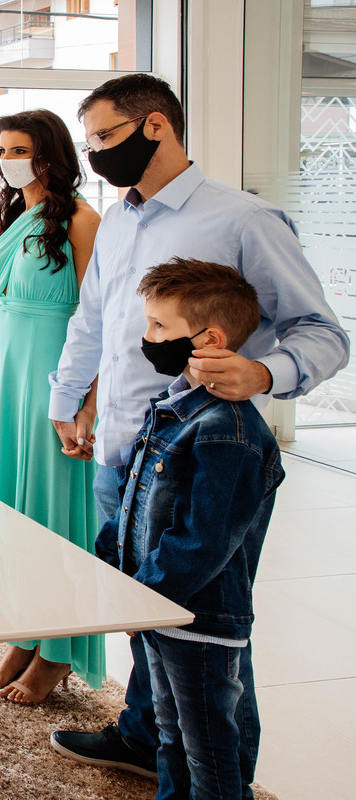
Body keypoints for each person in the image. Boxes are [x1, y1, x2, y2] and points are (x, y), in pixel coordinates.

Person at [48, 74, 349, 789]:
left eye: (106, 137)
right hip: (122, 449)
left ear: (156, 126)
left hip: (197, 457)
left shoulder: (245, 220)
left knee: (205, 630)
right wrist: (69, 396)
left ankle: (220, 778)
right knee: (144, 613)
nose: (96, 154)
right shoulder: (115, 220)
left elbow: (323, 333)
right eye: (89, 142)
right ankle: (142, 733)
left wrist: (264, 372)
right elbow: (95, 319)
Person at [104, 258, 283, 799]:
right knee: (171, 735)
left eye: (160, 326)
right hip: (162, 608)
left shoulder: (228, 432)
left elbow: (202, 543)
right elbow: (134, 503)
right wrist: (117, 578)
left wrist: (143, 599)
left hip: (198, 619)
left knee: (208, 749)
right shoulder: (173, 405)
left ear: (210, 340)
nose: (147, 337)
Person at [0, 110, 104, 705]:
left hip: (50, 376)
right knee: (6, 517)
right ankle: (24, 632)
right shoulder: (15, 215)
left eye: (19, 149)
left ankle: (57, 649)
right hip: (3, 375)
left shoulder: (83, 219)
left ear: (50, 154)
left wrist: (86, 402)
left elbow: (98, 317)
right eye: (2, 150)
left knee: (49, 519)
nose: (8, 160)